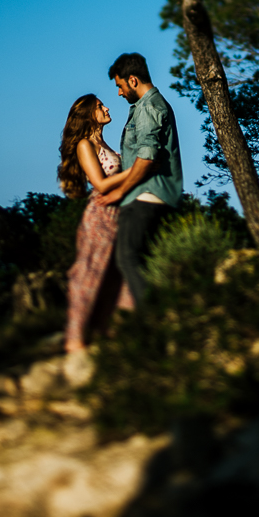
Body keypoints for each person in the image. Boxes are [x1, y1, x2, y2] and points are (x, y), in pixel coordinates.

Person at [94, 52, 182, 308]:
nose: (119, 93)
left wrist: (120, 191)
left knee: (127, 258)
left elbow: (146, 158)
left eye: (120, 86)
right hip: (151, 196)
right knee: (145, 262)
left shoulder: (149, 108)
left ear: (132, 80)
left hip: (146, 196)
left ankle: (154, 322)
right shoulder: (146, 107)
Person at [59, 93, 134, 354]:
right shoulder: (84, 145)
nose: (106, 108)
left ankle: (110, 333)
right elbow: (100, 184)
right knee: (90, 274)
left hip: (118, 214)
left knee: (118, 275)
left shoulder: (104, 143)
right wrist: (137, 170)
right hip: (101, 216)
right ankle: (75, 339)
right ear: (89, 114)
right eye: (100, 106)